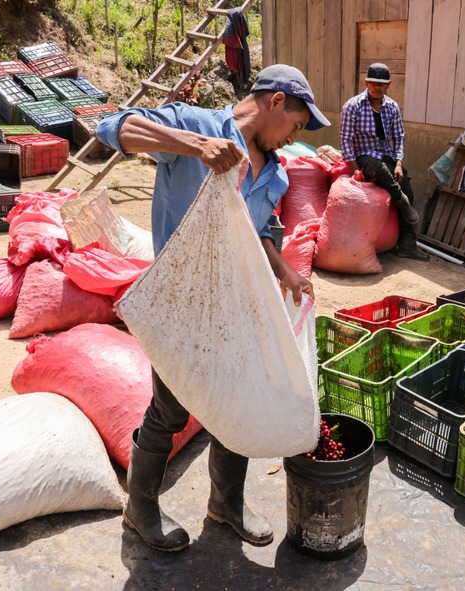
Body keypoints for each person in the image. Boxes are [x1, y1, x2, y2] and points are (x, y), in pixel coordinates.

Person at [96, 64, 330, 552]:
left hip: (237, 306)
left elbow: (260, 232)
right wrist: (194, 147)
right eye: (296, 124)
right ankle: (139, 510)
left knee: (236, 400)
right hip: (184, 304)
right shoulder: (196, 126)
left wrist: (284, 270)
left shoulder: (278, 176)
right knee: (170, 409)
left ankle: (225, 504)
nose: (294, 137)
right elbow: (114, 127)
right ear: (276, 102)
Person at [339, 62, 430, 260]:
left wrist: (398, 162)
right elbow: (345, 139)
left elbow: (399, 137)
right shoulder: (352, 106)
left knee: (406, 185)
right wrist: (354, 169)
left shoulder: (392, 107)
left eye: (381, 84)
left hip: (386, 156)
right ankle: (401, 201)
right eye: (373, 83)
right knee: (378, 167)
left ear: (388, 84)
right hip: (363, 156)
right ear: (366, 82)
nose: (376, 87)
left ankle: (407, 245)